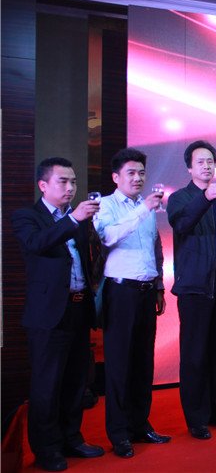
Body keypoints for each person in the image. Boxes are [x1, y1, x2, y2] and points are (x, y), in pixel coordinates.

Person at [12, 157, 104, 472]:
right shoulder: (27, 216)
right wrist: (73, 220)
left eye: (73, 182)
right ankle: (46, 449)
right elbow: (36, 243)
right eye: (63, 181)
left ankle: (71, 439)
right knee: (47, 384)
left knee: (76, 381)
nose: (70, 188)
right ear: (43, 185)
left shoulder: (75, 219)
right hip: (49, 314)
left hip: (78, 308)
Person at [94, 148, 170, 458]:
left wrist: (159, 286)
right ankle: (119, 433)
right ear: (116, 177)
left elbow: (155, 248)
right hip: (121, 292)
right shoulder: (105, 205)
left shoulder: (145, 206)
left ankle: (140, 425)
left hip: (146, 291)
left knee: (143, 362)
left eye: (141, 173)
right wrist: (142, 211)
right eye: (131, 173)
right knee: (119, 364)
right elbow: (107, 237)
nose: (138, 178)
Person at [167, 141, 216, 440]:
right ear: (189, 167)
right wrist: (205, 197)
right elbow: (182, 226)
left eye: (210, 161)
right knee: (194, 355)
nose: (207, 166)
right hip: (194, 289)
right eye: (200, 161)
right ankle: (196, 418)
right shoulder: (180, 198)